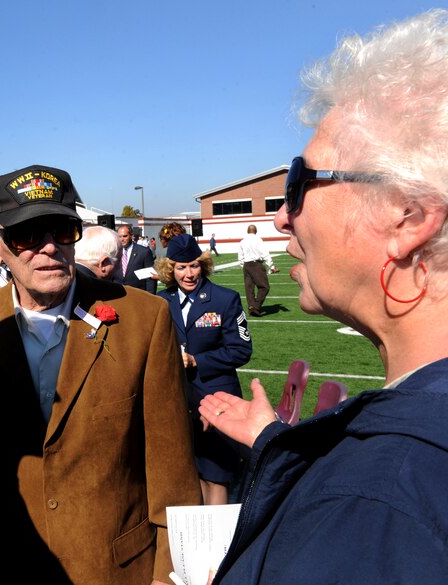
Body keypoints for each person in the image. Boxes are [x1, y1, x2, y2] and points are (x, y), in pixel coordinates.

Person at [198, 11, 448, 584]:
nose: (284, 215)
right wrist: (273, 443)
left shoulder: (380, 501)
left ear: (406, 216)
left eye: (300, 182)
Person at [0, 164, 201, 584]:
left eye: (62, 230)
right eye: (27, 235)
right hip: (4, 567)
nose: (49, 247)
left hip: (115, 569)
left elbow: (173, 471)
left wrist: (170, 576)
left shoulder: (145, 319)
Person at [155, 234, 251, 505]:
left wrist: (196, 360)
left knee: (216, 474)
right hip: (177, 399)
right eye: (181, 267)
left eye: (194, 265)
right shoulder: (160, 302)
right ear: (169, 270)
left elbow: (241, 350)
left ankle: (220, 544)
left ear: (204, 265)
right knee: (191, 470)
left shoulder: (225, 299)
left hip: (217, 397)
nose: (189, 273)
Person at [238, 225, 278, 316]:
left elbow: (240, 256)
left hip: (246, 265)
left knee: (249, 288)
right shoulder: (258, 240)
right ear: (256, 231)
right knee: (264, 287)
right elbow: (265, 253)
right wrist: (271, 266)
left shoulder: (242, 241)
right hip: (256, 264)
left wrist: (243, 266)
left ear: (248, 231)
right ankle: (256, 307)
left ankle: (251, 307)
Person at [113, 224, 157, 293]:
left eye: (125, 236)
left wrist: (150, 297)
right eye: (119, 237)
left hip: (138, 294)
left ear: (131, 235)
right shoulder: (114, 252)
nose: (122, 239)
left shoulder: (144, 252)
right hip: (118, 294)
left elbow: (150, 278)